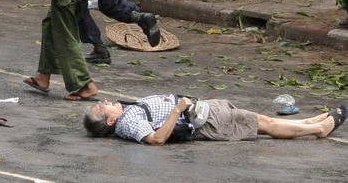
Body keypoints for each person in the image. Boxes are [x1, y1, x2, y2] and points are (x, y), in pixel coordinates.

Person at [83, 95, 346, 145]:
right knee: (264, 124)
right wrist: (178, 108)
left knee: (260, 120)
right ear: (109, 122)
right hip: (205, 122)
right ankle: (320, 129)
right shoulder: (129, 123)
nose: (105, 102)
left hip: (203, 111)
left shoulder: (126, 116)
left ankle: (310, 122)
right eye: (102, 108)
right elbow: (156, 139)